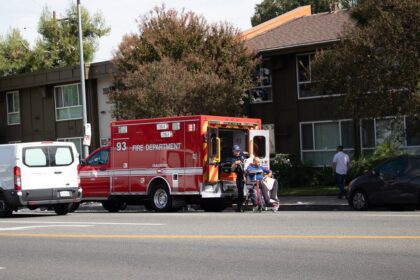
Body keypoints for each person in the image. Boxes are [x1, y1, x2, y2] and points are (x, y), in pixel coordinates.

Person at [230, 145, 245, 212]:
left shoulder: (242, 156)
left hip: (246, 175)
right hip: (240, 176)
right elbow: (232, 169)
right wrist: (235, 163)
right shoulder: (232, 159)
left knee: (253, 190)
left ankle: (257, 204)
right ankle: (240, 207)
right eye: (236, 151)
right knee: (240, 192)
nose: (238, 152)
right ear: (233, 151)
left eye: (238, 150)